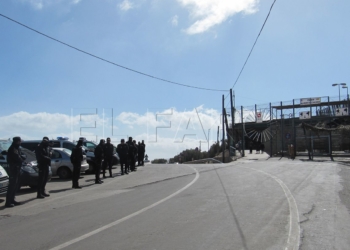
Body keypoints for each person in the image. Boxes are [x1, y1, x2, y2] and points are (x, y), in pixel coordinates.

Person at [5, 137, 26, 207]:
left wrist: (22, 157)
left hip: (17, 168)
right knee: (12, 185)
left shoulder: (17, 148)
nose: (20, 143)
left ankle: (12, 199)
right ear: (17, 142)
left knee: (15, 185)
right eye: (20, 141)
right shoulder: (13, 149)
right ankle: (8, 202)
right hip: (13, 169)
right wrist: (22, 158)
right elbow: (18, 158)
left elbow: (22, 156)